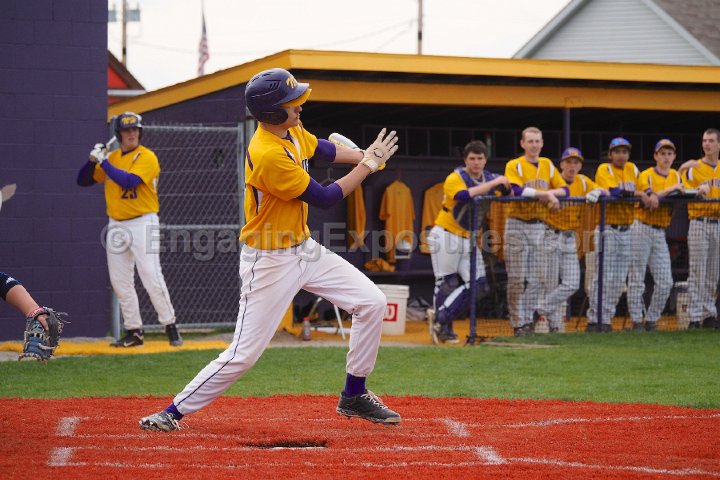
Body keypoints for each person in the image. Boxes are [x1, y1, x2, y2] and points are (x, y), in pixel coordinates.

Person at [139, 67, 401, 432]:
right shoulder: (266, 153)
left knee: (371, 302)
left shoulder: (291, 130)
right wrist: (368, 165)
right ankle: (171, 412)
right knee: (243, 354)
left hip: (304, 248)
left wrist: (360, 156)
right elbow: (325, 197)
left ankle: (354, 394)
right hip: (269, 260)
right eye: (292, 104)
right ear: (272, 113)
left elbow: (322, 148)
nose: (299, 108)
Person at [77, 112, 182, 348]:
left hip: (143, 222)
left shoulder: (147, 156)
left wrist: (103, 162)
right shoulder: (112, 157)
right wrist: (92, 161)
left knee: (151, 275)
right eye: (127, 130)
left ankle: (170, 325)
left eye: (135, 129)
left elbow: (129, 181)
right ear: (119, 134)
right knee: (120, 281)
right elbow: (83, 180)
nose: (132, 133)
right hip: (116, 224)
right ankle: (134, 331)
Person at [426, 140, 510, 344]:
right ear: (465, 160)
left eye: (480, 158)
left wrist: (505, 184)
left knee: (480, 284)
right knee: (447, 282)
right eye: (472, 158)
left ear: (485, 160)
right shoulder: (455, 177)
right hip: (446, 235)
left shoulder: (488, 177)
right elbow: (464, 195)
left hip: (470, 239)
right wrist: (494, 183)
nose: (476, 162)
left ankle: (441, 317)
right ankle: (444, 329)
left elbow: (508, 192)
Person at [504, 127, 569, 337]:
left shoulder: (547, 164)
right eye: (530, 141)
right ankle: (517, 323)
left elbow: (565, 189)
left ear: (542, 143)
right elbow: (516, 190)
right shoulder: (514, 164)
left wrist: (548, 194)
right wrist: (547, 195)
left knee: (538, 278)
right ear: (522, 144)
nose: (534, 145)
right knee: (516, 278)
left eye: (537, 141)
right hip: (517, 224)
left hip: (539, 226)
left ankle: (526, 319)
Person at [586, 137, 655, 332]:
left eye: (624, 152)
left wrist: (650, 194)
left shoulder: (633, 169)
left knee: (618, 279)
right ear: (610, 154)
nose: (621, 155)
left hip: (627, 230)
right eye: (617, 151)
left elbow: (645, 187)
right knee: (603, 276)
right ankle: (594, 319)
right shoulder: (604, 169)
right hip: (607, 229)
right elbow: (614, 192)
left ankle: (606, 319)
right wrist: (640, 195)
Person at [535, 147, 606, 332]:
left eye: (576, 162)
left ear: (580, 166)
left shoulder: (583, 181)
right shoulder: (553, 181)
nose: (572, 166)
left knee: (572, 283)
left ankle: (540, 309)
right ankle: (555, 327)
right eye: (568, 162)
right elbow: (539, 199)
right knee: (550, 284)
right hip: (550, 234)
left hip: (569, 237)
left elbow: (606, 191)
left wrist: (598, 192)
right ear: (562, 164)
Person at [627, 139, 683, 332]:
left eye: (669, 153)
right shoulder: (646, 175)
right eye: (662, 153)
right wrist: (670, 190)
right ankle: (636, 320)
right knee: (637, 277)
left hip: (660, 231)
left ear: (674, 156)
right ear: (655, 156)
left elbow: (682, 192)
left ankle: (651, 319)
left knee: (666, 281)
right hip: (641, 228)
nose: (666, 157)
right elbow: (650, 200)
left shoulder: (675, 175)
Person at [680, 128, 720, 329]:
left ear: (719, 144)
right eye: (704, 140)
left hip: (718, 223)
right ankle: (694, 317)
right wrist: (696, 190)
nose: (707, 144)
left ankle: (708, 314)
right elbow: (680, 188)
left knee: (713, 272)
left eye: (711, 141)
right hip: (699, 222)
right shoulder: (694, 167)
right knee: (697, 270)